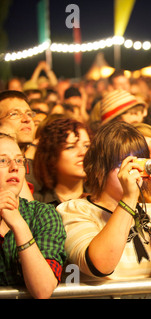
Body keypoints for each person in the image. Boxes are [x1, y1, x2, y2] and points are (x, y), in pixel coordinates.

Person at [56, 121, 151, 281]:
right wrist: (129, 198)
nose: (134, 170)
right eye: (123, 163)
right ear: (99, 168)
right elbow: (100, 265)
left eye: (138, 162)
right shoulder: (73, 210)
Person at [0, 133, 66, 298]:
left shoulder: (42, 214)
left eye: (19, 161)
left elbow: (43, 289)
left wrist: (19, 225)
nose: (14, 167)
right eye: (2, 161)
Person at [32, 118, 91, 207]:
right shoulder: (37, 203)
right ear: (51, 155)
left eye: (86, 146)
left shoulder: (101, 198)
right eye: (70, 147)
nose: (83, 152)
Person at [0, 90, 37, 200]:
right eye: (14, 114)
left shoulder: (40, 170)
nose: (27, 119)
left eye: (29, 114)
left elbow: (32, 215)